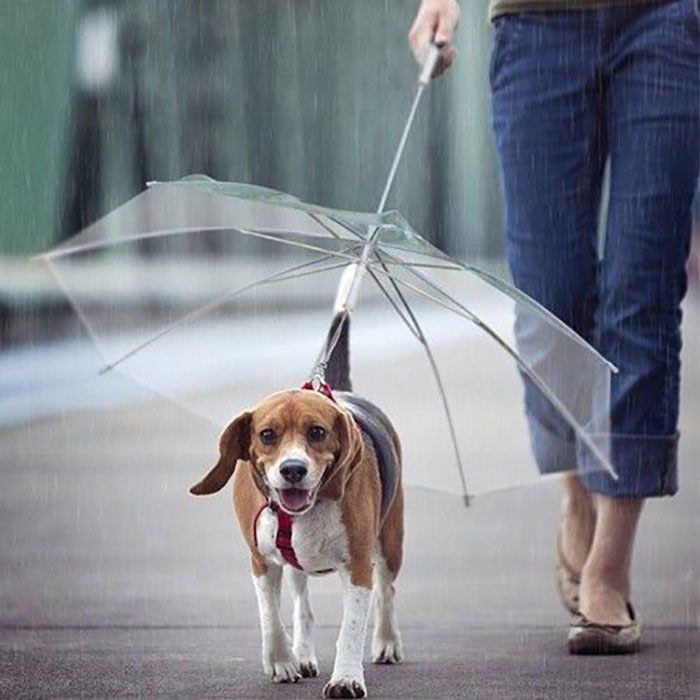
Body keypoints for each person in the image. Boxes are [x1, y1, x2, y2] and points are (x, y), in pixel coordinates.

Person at [409, 0, 699, 653]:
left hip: (667, 21)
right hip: (534, 23)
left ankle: (610, 564)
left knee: (643, 292)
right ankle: (576, 489)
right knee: (550, 298)